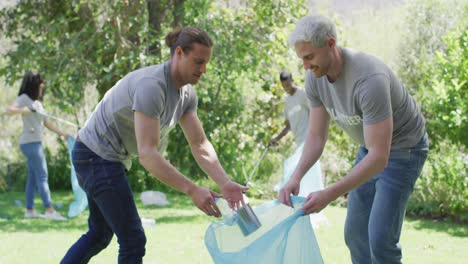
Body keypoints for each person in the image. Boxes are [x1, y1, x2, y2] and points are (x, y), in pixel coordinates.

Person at [61, 27, 248, 263]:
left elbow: (199, 144)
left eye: (206, 63)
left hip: (104, 158)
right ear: (179, 53)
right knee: (133, 240)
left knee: (100, 235)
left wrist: (225, 182)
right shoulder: (152, 86)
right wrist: (192, 189)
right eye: (198, 62)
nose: (204, 70)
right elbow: (148, 155)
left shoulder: (186, 94)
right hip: (95, 156)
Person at [279, 15, 428, 264]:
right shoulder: (315, 79)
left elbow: (380, 157)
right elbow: (316, 136)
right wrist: (296, 177)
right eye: (301, 58)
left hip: (404, 150)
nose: (305, 66)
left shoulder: (369, 80)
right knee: (356, 235)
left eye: (309, 57)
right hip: (370, 151)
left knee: (380, 240)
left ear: (330, 44)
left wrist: (329, 194)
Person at [6, 72, 70, 221]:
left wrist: (64, 134)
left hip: (35, 143)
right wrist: (26, 110)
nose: (42, 89)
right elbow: (8, 111)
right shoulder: (24, 99)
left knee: (33, 177)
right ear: (34, 86)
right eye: (40, 87)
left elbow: (46, 123)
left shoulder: (37, 103)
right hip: (30, 143)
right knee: (42, 175)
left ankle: (30, 210)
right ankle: (49, 210)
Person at [269, 71, 327, 228]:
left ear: (292, 81)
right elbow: (288, 126)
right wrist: (276, 139)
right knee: (302, 177)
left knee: (292, 170)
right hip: (299, 142)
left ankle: (302, 210)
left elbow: (318, 113)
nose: (287, 88)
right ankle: (299, 209)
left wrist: (318, 136)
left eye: (288, 85)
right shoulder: (288, 101)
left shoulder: (303, 94)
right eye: (284, 86)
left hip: (310, 142)